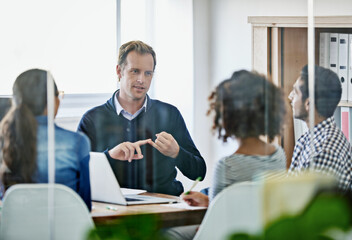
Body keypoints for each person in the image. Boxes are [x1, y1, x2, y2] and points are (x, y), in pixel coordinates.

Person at [164, 70, 287, 240]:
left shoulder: (227, 166)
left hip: (227, 235)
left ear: (227, 117)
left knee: (169, 234)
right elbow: (249, 207)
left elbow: (214, 226)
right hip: (259, 234)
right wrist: (209, 202)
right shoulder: (278, 155)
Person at [77, 40, 206, 196]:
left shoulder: (170, 114)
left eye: (148, 73)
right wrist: (109, 156)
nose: (141, 80)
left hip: (165, 209)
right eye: (135, 71)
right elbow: (78, 175)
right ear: (119, 72)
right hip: (113, 208)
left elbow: (200, 172)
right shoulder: (92, 119)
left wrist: (177, 153)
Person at [0, 69, 92, 211]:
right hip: (65, 231)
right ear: (52, 100)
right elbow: (85, 205)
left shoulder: (6, 140)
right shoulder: (77, 142)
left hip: (15, 232)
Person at [288, 65, 352, 191]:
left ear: (308, 103)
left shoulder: (322, 153)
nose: (290, 97)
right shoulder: (314, 137)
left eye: (295, 92)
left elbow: (304, 207)